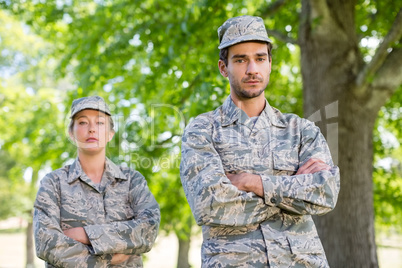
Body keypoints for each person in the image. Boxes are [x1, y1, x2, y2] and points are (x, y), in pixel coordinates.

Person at [180, 15, 340, 267]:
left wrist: (252, 182)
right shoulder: (203, 130)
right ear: (224, 68)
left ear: (270, 63)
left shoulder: (300, 130)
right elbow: (209, 205)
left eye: (260, 58)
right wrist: (293, 193)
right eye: (241, 60)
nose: (252, 69)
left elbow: (326, 194)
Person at [34, 96, 160, 267]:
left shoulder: (132, 181)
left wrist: (85, 234)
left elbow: (148, 230)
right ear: (71, 133)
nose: (92, 129)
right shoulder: (53, 183)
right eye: (83, 122)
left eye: (100, 123)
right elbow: (46, 244)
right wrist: (108, 259)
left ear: (110, 135)